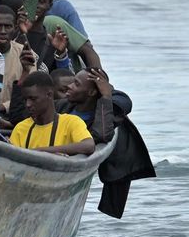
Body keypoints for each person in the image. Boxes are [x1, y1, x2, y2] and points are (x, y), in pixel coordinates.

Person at [58, 68, 156, 218]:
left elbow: (102, 134)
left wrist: (106, 96)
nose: (69, 86)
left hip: (115, 164)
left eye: (76, 84)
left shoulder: (113, 106)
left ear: (91, 93)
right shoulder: (64, 106)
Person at [18, 0, 102, 71]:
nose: (36, 5)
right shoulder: (11, 31)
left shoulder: (51, 38)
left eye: (41, 1)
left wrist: (61, 53)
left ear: (49, 6)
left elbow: (62, 76)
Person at [9, 72, 95, 156]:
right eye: (25, 99)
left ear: (49, 95)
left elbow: (89, 145)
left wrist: (40, 151)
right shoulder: (20, 128)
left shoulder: (71, 122)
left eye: (33, 98)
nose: (28, 104)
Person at [0, 5, 47, 115]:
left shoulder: (26, 54)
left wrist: (3, 107)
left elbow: (30, 92)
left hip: (14, 114)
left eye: (8, 27)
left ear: (15, 28)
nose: (2, 31)